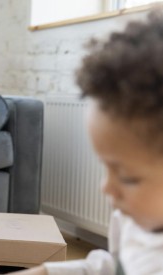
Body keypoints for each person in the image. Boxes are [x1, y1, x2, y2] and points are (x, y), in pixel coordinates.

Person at [12, 10, 163, 275]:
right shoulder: (131, 218)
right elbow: (117, 267)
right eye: (106, 166)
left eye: (128, 177)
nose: (106, 187)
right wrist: (46, 272)